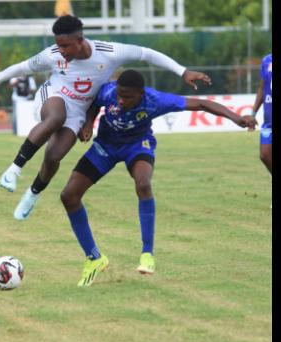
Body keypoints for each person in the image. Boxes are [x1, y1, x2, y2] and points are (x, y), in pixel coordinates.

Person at [0, 15, 212, 221]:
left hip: (78, 111)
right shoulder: (52, 55)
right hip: (53, 96)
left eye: (65, 45)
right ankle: (14, 170)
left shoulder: (109, 52)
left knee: (54, 156)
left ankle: (32, 194)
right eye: (58, 44)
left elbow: (147, 54)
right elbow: (24, 67)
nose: (60, 49)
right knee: (55, 117)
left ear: (80, 40)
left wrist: (183, 71)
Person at [60, 69, 257, 287]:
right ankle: (94, 258)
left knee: (143, 184)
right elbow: (94, 103)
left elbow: (201, 104)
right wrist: (88, 123)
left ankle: (147, 254)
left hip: (137, 146)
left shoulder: (156, 100)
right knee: (69, 195)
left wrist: (237, 117)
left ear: (141, 94)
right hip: (105, 147)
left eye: (127, 97)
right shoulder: (109, 92)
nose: (121, 100)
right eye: (119, 96)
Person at [250, 54, 272, 180]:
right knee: (264, 155)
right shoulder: (267, 60)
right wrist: (253, 113)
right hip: (269, 121)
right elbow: (262, 88)